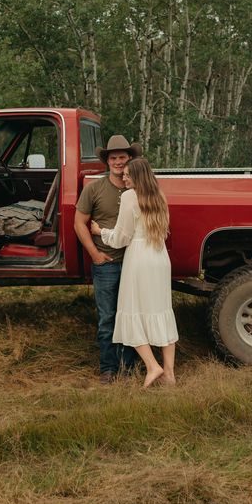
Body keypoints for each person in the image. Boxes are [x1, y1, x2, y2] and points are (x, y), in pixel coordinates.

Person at [90, 158, 178, 388]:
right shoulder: (159, 195)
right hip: (159, 257)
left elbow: (121, 238)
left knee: (131, 311)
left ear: (138, 176)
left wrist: (101, 231)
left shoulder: (129, 196)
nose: (124, 177)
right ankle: (169, 373)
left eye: (128, 175)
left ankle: (152, 366)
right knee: (161, 311)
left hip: (139, 258)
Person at [74, 135, 142, 384]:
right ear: (107, 161)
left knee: (132, 315)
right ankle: (108, 369)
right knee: (108, 318)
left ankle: (129, 368)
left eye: (122, 157)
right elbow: (79, 223)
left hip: (134, 264)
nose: (118, 162)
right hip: (107, 263)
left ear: (130, 159)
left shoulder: (138, 188)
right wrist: (94, 253)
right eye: (113, 158)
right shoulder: (94, 189)